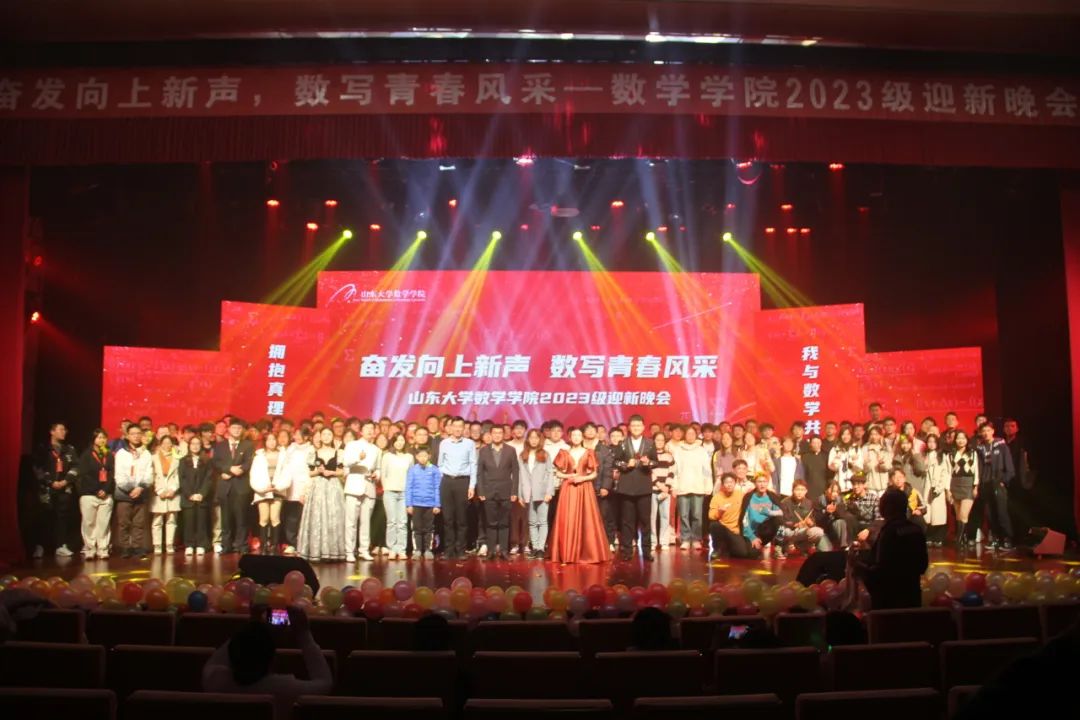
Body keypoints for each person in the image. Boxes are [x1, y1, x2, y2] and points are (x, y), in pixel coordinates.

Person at [202, 606, 332, 720]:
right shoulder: (284, 688)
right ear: (273, 660)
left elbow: (222, 656)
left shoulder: (215, 681)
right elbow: (325, 683)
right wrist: (304, 633)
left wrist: (252, 627)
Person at [853, 487, 929, 610]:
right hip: (912, 600)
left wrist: (857, 566)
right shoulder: (916, 530)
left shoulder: (888, 532)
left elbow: (880, 573)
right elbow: (922, 566)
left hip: (888, 604)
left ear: (885, 509)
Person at [549, 427, 611, 564]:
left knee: (587, 518)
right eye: (574, 435)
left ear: (582, 437)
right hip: (568, 488)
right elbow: (557, 473)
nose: (576, 437)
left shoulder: (589, 452)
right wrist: (569, 476)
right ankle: (567, 553)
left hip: (585, 488)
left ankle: (588, 552)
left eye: (578, 435)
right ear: (570, 437)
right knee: (568, 518)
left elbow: (594, 474)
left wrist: (582, 478)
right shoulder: (564, 453)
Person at [612, 415, 658, 562]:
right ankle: (626, 551)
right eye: (633, 425)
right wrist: (626, 465)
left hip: (644, 486)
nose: (636, 428)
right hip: (627, 486)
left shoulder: (650, 443)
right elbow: (615, 461)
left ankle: (647, 551)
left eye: (639, 425)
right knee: (627, 521)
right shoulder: (623, 443)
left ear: (643, 427)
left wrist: (648, 463)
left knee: (645, 521)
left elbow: (656, 462)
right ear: (629, 428)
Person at [297, 427, 346, 562]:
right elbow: (310, 472)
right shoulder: (314, 453)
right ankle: (316, 551)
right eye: (324, 434)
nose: (326, 436)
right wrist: (318, 471)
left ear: (333, 436)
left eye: (329, 434)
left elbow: (342, 471)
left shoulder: (338, 453)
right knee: (317, 516)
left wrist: (332, 472)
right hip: (318, 487)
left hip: (333, 486)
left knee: (334, 516)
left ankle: (333, 552)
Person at [31, 422, 79, 558]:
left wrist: (66, 481)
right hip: (47, 489)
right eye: (61, 429)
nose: (64, 432)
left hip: (64, 489)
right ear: (52, 432)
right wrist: (50, 482)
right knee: (44, 518)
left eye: (65, 430)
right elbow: (37, 467)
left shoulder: (69, 449)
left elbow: (76, 467)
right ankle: (40, 546)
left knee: (62, 518)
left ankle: (60, 545)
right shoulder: (43, 449)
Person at [475, 424, 520, 560]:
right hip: (488, 491)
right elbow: (480, 473)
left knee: (504, 523)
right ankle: (491, 551)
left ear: (504, 435)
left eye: (500, 433)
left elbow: (516, 472)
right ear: (490, 434)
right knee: (491, 523)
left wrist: (514, 491)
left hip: (506, 491)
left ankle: (504, 551)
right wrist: (481, 491)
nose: (497, 435)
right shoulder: (484, 451)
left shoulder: (510, 450)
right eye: (495, 433)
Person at [212, 418, 256, 554]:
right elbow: (216, 463)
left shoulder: (248, 445)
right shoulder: (220, 446)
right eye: (234, 428)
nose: (236, 430)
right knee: (226, 518)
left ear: (242, 430)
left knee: (242, 517)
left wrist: (241, 469)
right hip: (225, 486)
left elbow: (249, 462)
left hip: (241, 485)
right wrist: (229, 469)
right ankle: (226, 545)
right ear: (228, 429)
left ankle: (242, 545)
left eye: (239, 428)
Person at [437, 417, 477, 560]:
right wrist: (442, 480)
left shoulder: (469, 443)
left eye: (461, 426)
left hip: (462, 482)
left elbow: (473, 465)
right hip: (447, 481)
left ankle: (461, 550)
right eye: (455, 426)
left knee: (462, 519)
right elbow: (440, 464)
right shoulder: (444, 443)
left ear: (464, 428)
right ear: (451, 428)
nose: (458, 429)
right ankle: (448, 550)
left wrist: (471, 485)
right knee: (447, 518)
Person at [971, 422, 1015, 550]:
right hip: (985, 484)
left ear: (993, 431)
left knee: (1001, 512)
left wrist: (1003, 481)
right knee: (990, 514)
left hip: (998, 483)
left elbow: (1010, 468)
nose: (985, 433)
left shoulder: (1001, 446)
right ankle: (995, 538)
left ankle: (1007, 539)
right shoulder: (980, 448)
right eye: (983, 431)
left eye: (988, 430)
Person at [342, 419, 381, 562]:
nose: (370, 431)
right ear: (361, 431)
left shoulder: (377, 449)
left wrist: (377, 475)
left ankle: (364, 550)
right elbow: (346, 462)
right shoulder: (352, 445)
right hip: (354, 484)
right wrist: (358, 457)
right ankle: (349, 551)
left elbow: (378, 468)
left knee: (366, 522)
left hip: (369, 486)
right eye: (367, 428)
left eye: (372, 428)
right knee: (351, 521)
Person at [114, 423, 154, 558]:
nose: (136, 436)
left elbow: (149, 473)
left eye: (138, 433)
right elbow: (119, 475)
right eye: (133, 434)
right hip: (124, 493)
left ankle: (137, 546)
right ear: (127, 436)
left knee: (139, 523)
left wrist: (140, 488)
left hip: (141, 493)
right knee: (124, 523)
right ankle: (125, 547)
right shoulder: (121, 453)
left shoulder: (146, 453)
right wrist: (131, 489)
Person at [671, 425, 711, 552]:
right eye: (688, 433)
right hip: (682, 486)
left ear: (696, 435)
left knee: (697, 515)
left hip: (698, 486)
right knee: (683, 514)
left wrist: (708, 485)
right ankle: (686, 539)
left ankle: (696, 538)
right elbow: (675, 470)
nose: (690, 436)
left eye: (693, 434)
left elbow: (707, 469)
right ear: (685, 435)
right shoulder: (678, 450)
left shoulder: (701, 450)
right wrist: (674, 486)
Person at [250, 432, 290, 556]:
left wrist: (278, 487)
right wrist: (263, 488)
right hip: (263, 492)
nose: (271, 442)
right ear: (265, 442)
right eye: (269, 440)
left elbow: (287, 474)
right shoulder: (258, 457)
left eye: (273, 439)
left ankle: (274, 546)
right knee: (264, 518)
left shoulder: (283, 455)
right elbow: (254, 475)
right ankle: (263, 546)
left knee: (274, 518)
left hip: (277, 490)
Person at [76, 428, 114, 560]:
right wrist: (96, 490)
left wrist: (105, 489)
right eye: (99, 437)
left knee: (103, 523)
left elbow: (111, 474)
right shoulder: (86, 455)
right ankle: (90, 548)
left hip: (106, 494)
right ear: (93, 439)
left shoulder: (109, 455)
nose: (102, 440)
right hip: (89, 494)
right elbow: (84, 475)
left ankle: (103, 548)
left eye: (104, 437)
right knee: (89, 523)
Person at [518, 429, 554, 560]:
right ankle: (535, 547)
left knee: (542, 521)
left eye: (536, 438)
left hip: (542, 492)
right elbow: (520, 476)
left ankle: (540, 548)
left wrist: (549, 492)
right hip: (528, 492)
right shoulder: (523, 455)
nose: (534, 440)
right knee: (532, 522)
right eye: (531, 437)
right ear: (528, 439)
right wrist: (520, 495)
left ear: (540, 440)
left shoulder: (545, 454)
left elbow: (550, 473)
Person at [379, 433, 414, 560]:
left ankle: (401, 549)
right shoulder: (387, 456)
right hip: (390, 492)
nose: (400, 442)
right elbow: (383, 474)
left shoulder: (409, 457)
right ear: (393, 442)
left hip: (404, 493)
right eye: (397, 440)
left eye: (402, 440)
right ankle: (392, 549)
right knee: (391, 522)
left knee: (402, 522)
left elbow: (411, 475)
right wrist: (386, 488)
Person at [282, 427, 314, 556]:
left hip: (304, 486)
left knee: (303, 517)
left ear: (306, 437)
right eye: (295, 434)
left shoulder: (310, 449)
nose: (297, 436)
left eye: (300, 434)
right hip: (290, 486)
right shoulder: (291, 448)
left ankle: (303, 544)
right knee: (291, 517)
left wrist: (305, 489)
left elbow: (310, 470)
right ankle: (292, 543)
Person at [178, 435, 213, 556]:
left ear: (201, 446)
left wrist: (202, 493)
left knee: (201, 522)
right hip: (188, 497)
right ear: (189, 445)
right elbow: (182, 479)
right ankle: (189, 545)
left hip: (202, 497)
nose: (195, 446)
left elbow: (209, 479)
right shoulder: (183, 461)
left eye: (198, 443)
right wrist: (190, 494)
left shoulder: (207, 460)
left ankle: (201, 544)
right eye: (193, 443)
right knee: (189, 522)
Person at [405, 446, 441, 559]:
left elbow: (437, 487)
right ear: (416, 457)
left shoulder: (434, 469)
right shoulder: (413, 470)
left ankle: (428, 550)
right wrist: (409, 504)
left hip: (430, 504)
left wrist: (437, 504)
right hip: (416, 504)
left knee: (429, 528)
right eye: (420, 456)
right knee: (417, 528)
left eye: (425, 456)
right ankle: (417, 550)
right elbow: (409, 487)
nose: (422, 458)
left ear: (429, 456)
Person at [739, 473, 786, 559]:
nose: (762, 484)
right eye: (759, 481)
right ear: (755, 483)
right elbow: (744, 520)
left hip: (766, 530)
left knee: (779, 520)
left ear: (767, 483)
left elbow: (781, 512)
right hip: (752, 532)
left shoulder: (771, 496)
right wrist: (752, 537)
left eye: (764, 481)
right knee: (752, 554)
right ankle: (756, 546)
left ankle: (778, 548)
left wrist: (768, 512)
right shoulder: (748, 497)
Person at [780, 480, 831, 555]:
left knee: (818, 532)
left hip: (804, 531)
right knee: (785, 531)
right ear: (792, 490)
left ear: (806, 491)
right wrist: (796, 524)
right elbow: (783, 521)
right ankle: (790, 545)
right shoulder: (785, 502)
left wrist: (811, 523)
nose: (800, 492)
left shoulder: (809, 503)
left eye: (802, 490)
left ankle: (801, 546)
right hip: (791, 531)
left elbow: (814, 521)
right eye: (797, 489)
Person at [947, 430, 978, 548]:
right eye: (958, 438)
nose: (960, 440)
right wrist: (948, 490)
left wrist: (976, 486)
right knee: (958, 515)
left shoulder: (972, 453)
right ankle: (963, 537)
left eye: (963, 438)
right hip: (954, 484)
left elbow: (976, 471)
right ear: (955, 440)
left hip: (968, 484)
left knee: (964, 514)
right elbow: (948, 473)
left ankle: (959, 540)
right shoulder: (951, 454)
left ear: (967, 440)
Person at [150, 435, 181, 554]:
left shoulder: (177, 458)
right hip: (159, 491)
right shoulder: (154, 458)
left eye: (169, 443)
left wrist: (173, 489)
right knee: (157, 520)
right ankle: (157, 545)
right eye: (164, 443)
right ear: (160, 444)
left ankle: (169, 544)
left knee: (171, 520)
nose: (167, 445)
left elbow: (179, 475)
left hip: (172, 492)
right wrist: (158, 490)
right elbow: (152, 475)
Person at [708, 472, 749, 559]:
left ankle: (727, 547)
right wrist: (720, 512)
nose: (729, 485)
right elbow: (711, 516)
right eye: (726, 482)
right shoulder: (717, 497)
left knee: (742, 553)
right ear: (723, 484)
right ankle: (717, 549)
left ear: (735, 483)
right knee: (714, 525)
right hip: (723, 528)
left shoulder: (740, 494)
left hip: (735, 530)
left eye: (731, 482)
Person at [922, 434, 950, 548]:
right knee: (928, 513)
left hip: (938, 487)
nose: (931, 444)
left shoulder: (942, 456)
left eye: (934, 441)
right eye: (929, 441)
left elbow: (946, 473)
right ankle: (929, 536)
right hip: (927, 487)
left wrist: (940, 487)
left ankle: (938, 537)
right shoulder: (925, 455)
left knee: (939, 514)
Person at [650, 432, 675, 552]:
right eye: (657, 440)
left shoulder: (669, 456)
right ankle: (653, 542)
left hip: (666, 490)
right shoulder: (650, 455)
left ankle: (664, 541)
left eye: (662, 440)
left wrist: (667, 487)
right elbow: (649, 472)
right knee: (652, 517)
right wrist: (659, 485)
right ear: (653, 441)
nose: (659, 442)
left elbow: (672, 472)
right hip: (653, 490)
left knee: (665, 516)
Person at [844, 473, 880, 545]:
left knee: (875, 536)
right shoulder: (850, 500)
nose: (855, 487)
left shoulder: (873, 498)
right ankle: (850, 545)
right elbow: (850, 520)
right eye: (854, 484)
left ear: (864, 485)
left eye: (858, 484)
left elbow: (879, 519)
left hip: (870, 527)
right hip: (857, 528)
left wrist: (868, 530)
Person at [815, 480, 853, 548]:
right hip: (823, 531)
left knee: (841, 522)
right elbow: (817, 521)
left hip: (835, 530)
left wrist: (835, 510)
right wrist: (826, 512)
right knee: (826, 549)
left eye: (836, 491)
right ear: (826, 490)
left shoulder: (840, 500)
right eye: (832, 491)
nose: (834, 494)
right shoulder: (819, 501)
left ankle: (844, 546)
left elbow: (843, 516)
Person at [827, 426, 862, 492]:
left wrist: (852, 464)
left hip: (853, 483)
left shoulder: (856, 449)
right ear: (840, 436)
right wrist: (836, 460)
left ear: (851, 435)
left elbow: (860, 468)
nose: (845, 436)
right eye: (843, 434)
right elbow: (830, 466)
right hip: (838, 482)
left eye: (848, 434)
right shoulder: (835, 449)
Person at [861, 426, 891, 492]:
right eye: (872, 434)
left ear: (881, 435)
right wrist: (867, 464)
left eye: (876, 434)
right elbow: (864, 469)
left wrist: (882, 464)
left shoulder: (885, 448)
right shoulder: (865, 448)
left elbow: (888, 467)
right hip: (870, 485)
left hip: (884, 485)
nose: (874, 437)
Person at [800, 436, 829, 501]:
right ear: (810, 444)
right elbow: (803, 474)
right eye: (814, 443)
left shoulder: (826, 456)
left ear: (821, 443)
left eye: (818, 442)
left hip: (823, 488)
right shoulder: (805, 457)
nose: (816, 445)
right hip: (810, 488)